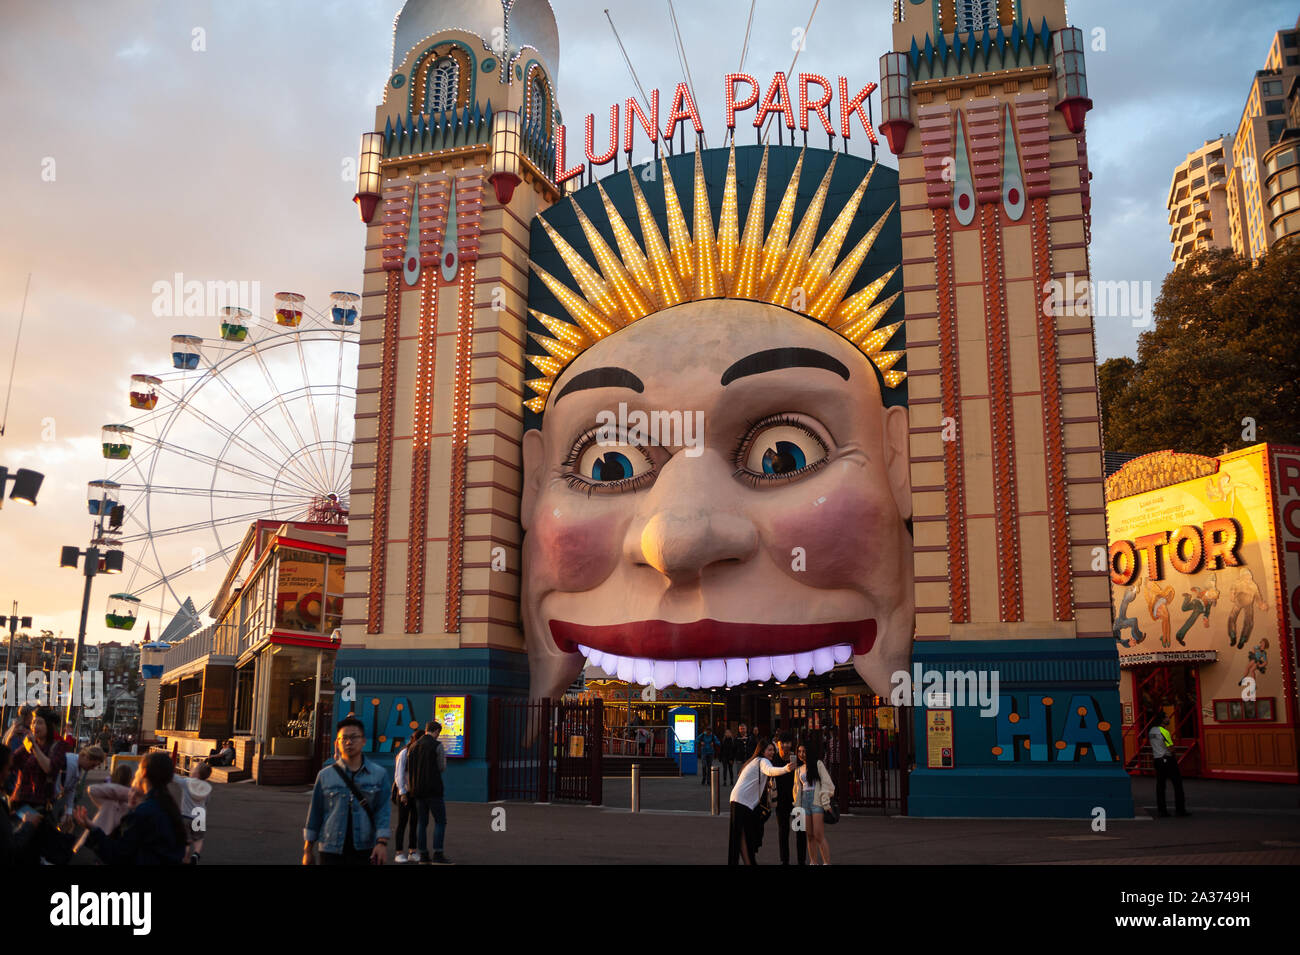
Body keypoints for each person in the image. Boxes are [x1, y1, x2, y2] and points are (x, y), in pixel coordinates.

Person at [302, 717, 391, 865]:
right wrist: (307, 850)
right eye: (344, 738)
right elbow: (315, 814)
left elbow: (383, 812)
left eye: (354, 737)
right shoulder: (325, 775)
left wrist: (382, 843)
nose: (349, 742)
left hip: (365, 848)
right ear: (337, 743)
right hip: (330, 848)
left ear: (364, 741)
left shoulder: (378, 774)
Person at [73, 752, 186, 865]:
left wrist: (93, 828)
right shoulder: (170, 808)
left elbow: (118, 855)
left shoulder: (143, 813)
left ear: (143, 772)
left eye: (138, 769)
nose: (135, 773)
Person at [727, 737, 794, 865]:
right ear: (762, 751)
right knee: (741, 836)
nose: (772, 752)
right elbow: (770, 771)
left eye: (773, 750)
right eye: (769, 750)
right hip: (742, 802)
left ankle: (748, 861)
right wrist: (786, 768)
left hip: (740, 801)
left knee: (741, 836)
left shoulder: (754, 761)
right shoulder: (763, 761)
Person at [407, 720, 451, 864]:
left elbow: (409, 769)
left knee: (422, 822)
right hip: (433, 789)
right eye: (439, 732)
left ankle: (423, 855)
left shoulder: (412, 747)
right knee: (440, 821)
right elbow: (441, 767)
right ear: (437, 731)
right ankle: (438, 854)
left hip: (417, 790)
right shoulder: (437, 746)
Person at [74, 762, 138, 853]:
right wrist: (130, 793)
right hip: (101, 843)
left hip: (99, 842)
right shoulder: (127, 799)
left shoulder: (109, 799)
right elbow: (92, 789)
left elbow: (92, 789)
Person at [794, 738, 835, 864]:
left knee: (818, 835)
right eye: (799, 751)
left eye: (804, 751)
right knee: (809, 836)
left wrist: (826, 803)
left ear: (809, 751)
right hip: (804, 803)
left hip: (817, 801)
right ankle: (813, 862)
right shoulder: (798, 769)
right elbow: (796, 791)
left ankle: (826, 862)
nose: (801, 754)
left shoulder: (818, 764)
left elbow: (827, 784)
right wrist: (797, 808)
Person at [772, 733, 807, 865]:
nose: (786, 746)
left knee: (800, 830)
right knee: (783, 830)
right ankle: (784, 860)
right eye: (783, 743)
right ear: (778, 744)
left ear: (791, 744)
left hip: (797, 801)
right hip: (781, 802)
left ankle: (801, 860)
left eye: (788, 743)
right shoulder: (774, 759)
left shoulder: (796, 759)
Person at [1148, 711, 1188, 818]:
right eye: (1166, 717)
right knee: (1177, 785)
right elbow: (1170, 747)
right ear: (1162, 719)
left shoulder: (1151, 731)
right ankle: (1180, 810)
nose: (1168, 719)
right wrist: (1174, 754)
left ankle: (1162, 811)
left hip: (1157, 759)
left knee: (1160, 786)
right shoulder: (1164, 732)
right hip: (1167, 759)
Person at [392, 729, 423, 863]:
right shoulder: (404, 753)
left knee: (414, 822)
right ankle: (398, 852)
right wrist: (402, 793)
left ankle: (412, 851)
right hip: (404, 793)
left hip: (416, 793)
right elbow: (399, 774)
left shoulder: (419, 753)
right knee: (402, 822)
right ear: (415, 740)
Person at [179, 761, 212, 863]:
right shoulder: (206, 787)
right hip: (199, 816)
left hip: (185, 815)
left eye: (194, 768)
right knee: (198, 838)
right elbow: (206, 801)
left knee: (186, 841)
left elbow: (175, 778)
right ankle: (196, 854)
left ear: (196, 774)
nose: (192, 769)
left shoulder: (187, 782)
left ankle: (185, 858)